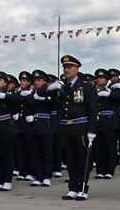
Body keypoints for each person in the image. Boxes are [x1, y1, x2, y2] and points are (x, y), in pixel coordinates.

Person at [39, 55, 97, 200]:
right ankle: (72, 188)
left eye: (69, 67)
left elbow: (92, 111)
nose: (66, 70)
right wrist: (51, 87)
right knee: (70, 160)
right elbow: (39, 93)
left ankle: (83, 188)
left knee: (82, 160)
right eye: (64, 67)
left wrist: (91, 130)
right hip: (66, 128)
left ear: (77, 69)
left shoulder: (85, 87)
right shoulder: (62, 86)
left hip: (81, 128)